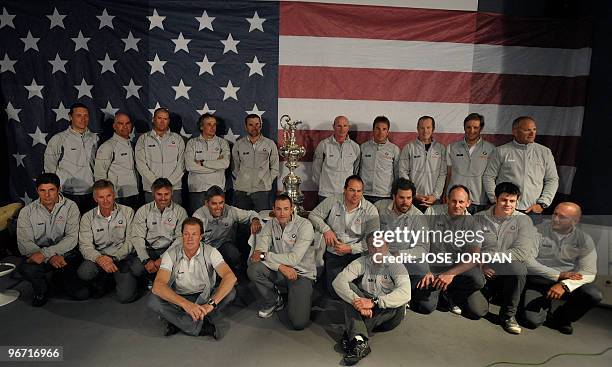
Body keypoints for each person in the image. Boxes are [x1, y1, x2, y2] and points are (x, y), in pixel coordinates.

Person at [148, 217, 237, 338]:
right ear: (182, 236)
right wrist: (186, 305)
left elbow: (230, 277)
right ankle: (202, 326)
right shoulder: (170, 254)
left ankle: (177, 322)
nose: (190, 238)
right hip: (179, 298)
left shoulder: (211, 252)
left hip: (204, 297)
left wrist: (210, 304)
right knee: (153, 300)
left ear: (200, 237)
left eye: (194, 234)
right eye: (186, 234)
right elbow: (158, 286)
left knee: (230, 292)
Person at [522, 202, 602, 334]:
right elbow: (528, 261)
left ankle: (561, 318)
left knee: (593, 294)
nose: (555, 219)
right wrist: (558, 275)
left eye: (562, 217)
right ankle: (541, 305)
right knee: (531, 321)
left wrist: (564, 285)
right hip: (539, 280)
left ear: (575, 221)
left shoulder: (584, 239)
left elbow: (589, 272)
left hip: (566, 281)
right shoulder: (536, 230)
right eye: (555, 214)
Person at [332, 233, 411, 366]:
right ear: (368, 247)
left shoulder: (396, 265)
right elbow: (338, 282)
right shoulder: (362, 261)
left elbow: (406, 293)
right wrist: (357, 303)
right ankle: (360, 342)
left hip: (389, 313)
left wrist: (373, 303)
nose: (376, 250)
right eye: (372, 246)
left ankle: (351, 334)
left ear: (387, 246)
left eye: (380, 246)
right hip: (366, 302)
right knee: (348, 288)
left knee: (397, 303)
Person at [412, 185, 488, 319]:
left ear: (468, 203)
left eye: (461, 202)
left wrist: (450, 273)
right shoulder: (432, 212)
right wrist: (425, 268)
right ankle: (441, 292)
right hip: (432, 266)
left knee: (478, 303)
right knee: (426, 307)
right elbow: (419, 243)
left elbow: (473, 256)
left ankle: (450, 293)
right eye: (453, 201)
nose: (457, 205)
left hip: (456, 270)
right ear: (447, 200)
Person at [17, 173, 89, 306]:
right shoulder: (26, 212)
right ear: (37, 191)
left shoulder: (70, 206)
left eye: (51, 190)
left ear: (58, 189)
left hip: (65, 254)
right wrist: (48, 257)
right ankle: (41, 292)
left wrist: (48, 254)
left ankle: (59, 278)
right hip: (39, 255)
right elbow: (24, 243)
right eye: (42, 191)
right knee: (27, 268)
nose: (47, 195)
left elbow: (72, 238)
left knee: (82, 294)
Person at [475, 182, 537, 334]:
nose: (508, 204)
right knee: (475, 312)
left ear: (517, 201)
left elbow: (520, 253)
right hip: (482, 268)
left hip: (507, 269)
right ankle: (487, 294)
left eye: (512, 201)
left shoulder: (524, 221)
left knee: (518, 268)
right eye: (504, 200)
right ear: (496, 198)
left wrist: (489, 259)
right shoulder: (478, 218)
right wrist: (481, 266)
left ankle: (508, 316)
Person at [248, 194, 315, 330]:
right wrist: (280, 266)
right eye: (278, 209)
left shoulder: (305, 225)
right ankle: (274, 300)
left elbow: (294, 259)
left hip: (301, 274)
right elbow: (257, 254)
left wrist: (265, 256)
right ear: (273, 209)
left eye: (286, 209)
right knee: (254, 268)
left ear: (292, 209)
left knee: (298, 323)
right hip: (280, 270)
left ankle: (298, 295)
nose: (282, 213)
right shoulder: (271, 224)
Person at [309, 175, 379, 296]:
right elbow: (313, 215)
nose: (355, 194)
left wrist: (350, 249)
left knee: (361, 287)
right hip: (334, 254)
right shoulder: (333, 200)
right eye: (352, 190)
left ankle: (363, 301)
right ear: (344, 189)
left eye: (359, 191)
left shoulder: (370, 210)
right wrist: (326, 230)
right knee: (335, 289)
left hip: (357, 255)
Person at [77, 179, 138, 303]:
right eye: (101, 197)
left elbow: (131, 241)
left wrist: (114, 257)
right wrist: (100, 259)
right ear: (95, 198)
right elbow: (85, 246)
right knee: (85, 272)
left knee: (126, 297)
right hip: (100, 258)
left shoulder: (128, 212)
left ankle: (123, 279)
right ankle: (103, 280)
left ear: (114, 195)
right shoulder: (87, 218)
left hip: (122, 257)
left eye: (109, 196)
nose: (106, 201)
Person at [483, 116, 559, 213]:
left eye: (534, 129)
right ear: (514, 132)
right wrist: (496, 200)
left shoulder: (545, 152)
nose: (532, 133)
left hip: (532, 210)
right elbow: (488, 177)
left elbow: (552, 179)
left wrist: (542, 204)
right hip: (506, 209)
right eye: (527, 130)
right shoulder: (500, 151)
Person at [128, 178, 188, 284]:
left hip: (169, 250)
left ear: (172, 193)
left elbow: (180, 239)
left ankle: (161, 279)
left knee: (183, 268)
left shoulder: (180, 212)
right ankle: (151, 278)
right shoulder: (143, 211)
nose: (163, 198)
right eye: (159, 194)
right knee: (136, 269)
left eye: (166, 194)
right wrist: (146, 259)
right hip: (149, 250)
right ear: (153, 194)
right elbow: (137, 237)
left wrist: (163, 259)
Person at [193, 186, 262, 275]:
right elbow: (194, 242)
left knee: (234, 255)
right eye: (214, 203)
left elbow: (251, 214)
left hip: (223, 244)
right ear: (206, 203)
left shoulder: (230, 210)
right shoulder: (198, 216)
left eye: (221, 203)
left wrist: (255, 220)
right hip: (206, 247)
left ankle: (234, 276)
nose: (218, 207)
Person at [44, 102, 99, 213]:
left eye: (86, 116)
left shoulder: (95, 138)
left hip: (91, 193)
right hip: (67, 193)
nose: (83, 119)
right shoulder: (59, 139)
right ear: (70, 117)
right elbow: (49, 168)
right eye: (79, 115)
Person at [375, 178, 427, 293]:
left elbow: (422, 248)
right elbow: (369, 232)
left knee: (422, 267)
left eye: (409, 198)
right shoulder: (379, 207)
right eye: (401, 198)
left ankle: (404, 292)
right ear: (394, 197)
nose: (405, 202)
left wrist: (399, 255)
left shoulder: (418, 216)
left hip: (402, 258)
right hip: (380, 255)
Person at [445, 113, 495, 214]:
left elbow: (492, 176)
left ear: (481, 128)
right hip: (456, 201)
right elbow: (449, 174)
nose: (472, 131)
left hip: (479, 202)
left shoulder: (491, 149)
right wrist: (446, 195)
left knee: (476, 229)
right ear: (464, 128)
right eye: (468, 127)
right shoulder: (452, 147)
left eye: (475, 127)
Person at [135, 107, 185, 205]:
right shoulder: (143, 139)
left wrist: (168, 184)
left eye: (165, 119)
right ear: (153, 119)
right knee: (152, 218)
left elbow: (182, 164)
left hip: (174, 188)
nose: (162, 121)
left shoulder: (178, 139)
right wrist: (157, 184)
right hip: (151, 188)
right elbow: (140, 164)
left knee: (176, 218)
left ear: (169, 121)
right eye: (159, 118)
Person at [231, 114, 279, 212]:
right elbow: (234, 168)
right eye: (251, 125)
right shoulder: (239, 144)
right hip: (242, 191)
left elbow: (275, 167)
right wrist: (242, 180)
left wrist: (267, 181)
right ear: (246, 126)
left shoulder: (270, 144)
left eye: (257, 124)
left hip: (262, 191)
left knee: (262, 222)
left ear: (261, 126)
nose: (255, 127)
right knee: (242, 223)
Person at [184, 113, 230, 215]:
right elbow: (190, 166)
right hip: (197, 189)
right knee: (197, 222)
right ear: (201, 126)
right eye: (209, 124)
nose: (212, 127)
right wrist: (216, 167)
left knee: (218, 223)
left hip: (217, 190)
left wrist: (202, 163)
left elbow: (225, 163)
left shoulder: (222, 143)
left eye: (214, 125)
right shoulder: (192, 143)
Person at [94, 111, 140, 210]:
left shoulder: (133, 145)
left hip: (135, 193)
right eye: (120, 123)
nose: (125, 126)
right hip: (118, 195)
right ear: (114, 126)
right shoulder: (107, 146)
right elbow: (99, 174)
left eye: (127, 123)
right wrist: (105, 195)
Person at [398, 116, 446, 212]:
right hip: (413, 199)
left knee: (433, 226)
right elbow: (403, 172)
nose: (425, 131)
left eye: (428, 127)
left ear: (433, 129)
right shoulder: (409, 148)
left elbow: (442, 174)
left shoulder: (441, 149)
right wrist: (413, 193)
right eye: (422, 128)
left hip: (433, 200)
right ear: (417, 129)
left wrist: (435, 196)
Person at [312, 115, 360, 201]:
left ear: (348, 127)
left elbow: (356, 170)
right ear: (333, 127)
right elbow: (316, 169)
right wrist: (323, 186)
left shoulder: (355, 147)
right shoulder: (324, 145)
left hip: (346, 195)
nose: (342, 129)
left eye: (345, 126)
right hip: (326, 195)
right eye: (339, 126)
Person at [359, 116, 400, 203]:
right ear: (373, 130)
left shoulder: (394, 149)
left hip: (385, 195)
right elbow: (357, 170)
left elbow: (397, 173)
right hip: (364, 194)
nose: (380, 132)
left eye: (384, 129)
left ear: (388, 131)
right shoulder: (363, 147)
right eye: (378, 128)